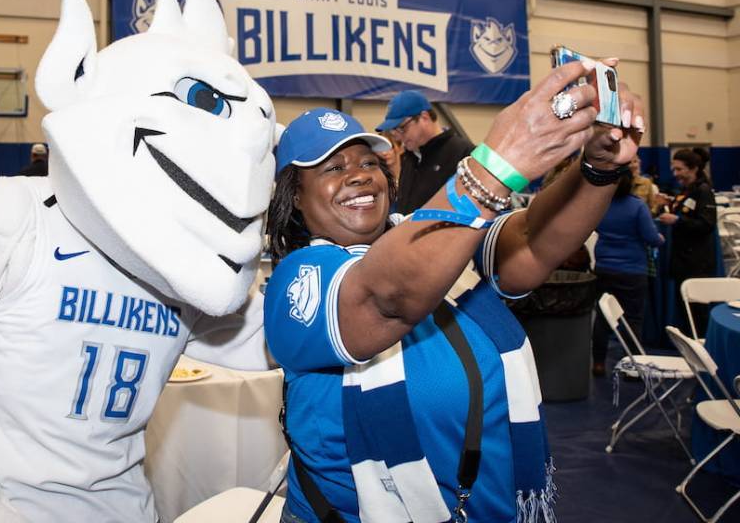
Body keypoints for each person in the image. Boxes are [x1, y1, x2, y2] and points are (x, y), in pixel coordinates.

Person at [0, 0, 275, 521]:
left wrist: (361, 293)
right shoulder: (10, 216)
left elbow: (269, 337)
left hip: (128, 508)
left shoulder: (185, 264)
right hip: (2, 508)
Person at [265, 58, 642, 523]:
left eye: (369, 162)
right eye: (332, 167)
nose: (360, 174)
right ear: (296, 198)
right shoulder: (297, 280)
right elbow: (386, 298)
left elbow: (530, 246)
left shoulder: (430, 239)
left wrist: (597, 170)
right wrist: (496, 164)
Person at [590, 172, 665, 376]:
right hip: (632, 269)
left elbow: (594, 227)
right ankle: (632, 367)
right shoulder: (637, 205)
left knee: (603, 317)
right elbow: (651, 237)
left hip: (604, 266)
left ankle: (598, 363)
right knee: (633, 318)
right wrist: (660, 238)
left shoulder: (601, 204)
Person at [375, 90, 474, 212]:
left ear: (424, 117)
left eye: (402, 128)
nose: (398, 137)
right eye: (393, 131)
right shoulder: (409, 156)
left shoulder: (463, 153)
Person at [656, 147, 718, 337]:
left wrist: (677, 221)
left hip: (697, 261)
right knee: (685, 310)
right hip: (682, 259)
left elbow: (707, 224)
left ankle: (703, 349)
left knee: (698, 312)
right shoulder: (686, 190)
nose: (675, 174)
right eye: (674, 169)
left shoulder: (703, 191)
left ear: (693, 169)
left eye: (679, 169)